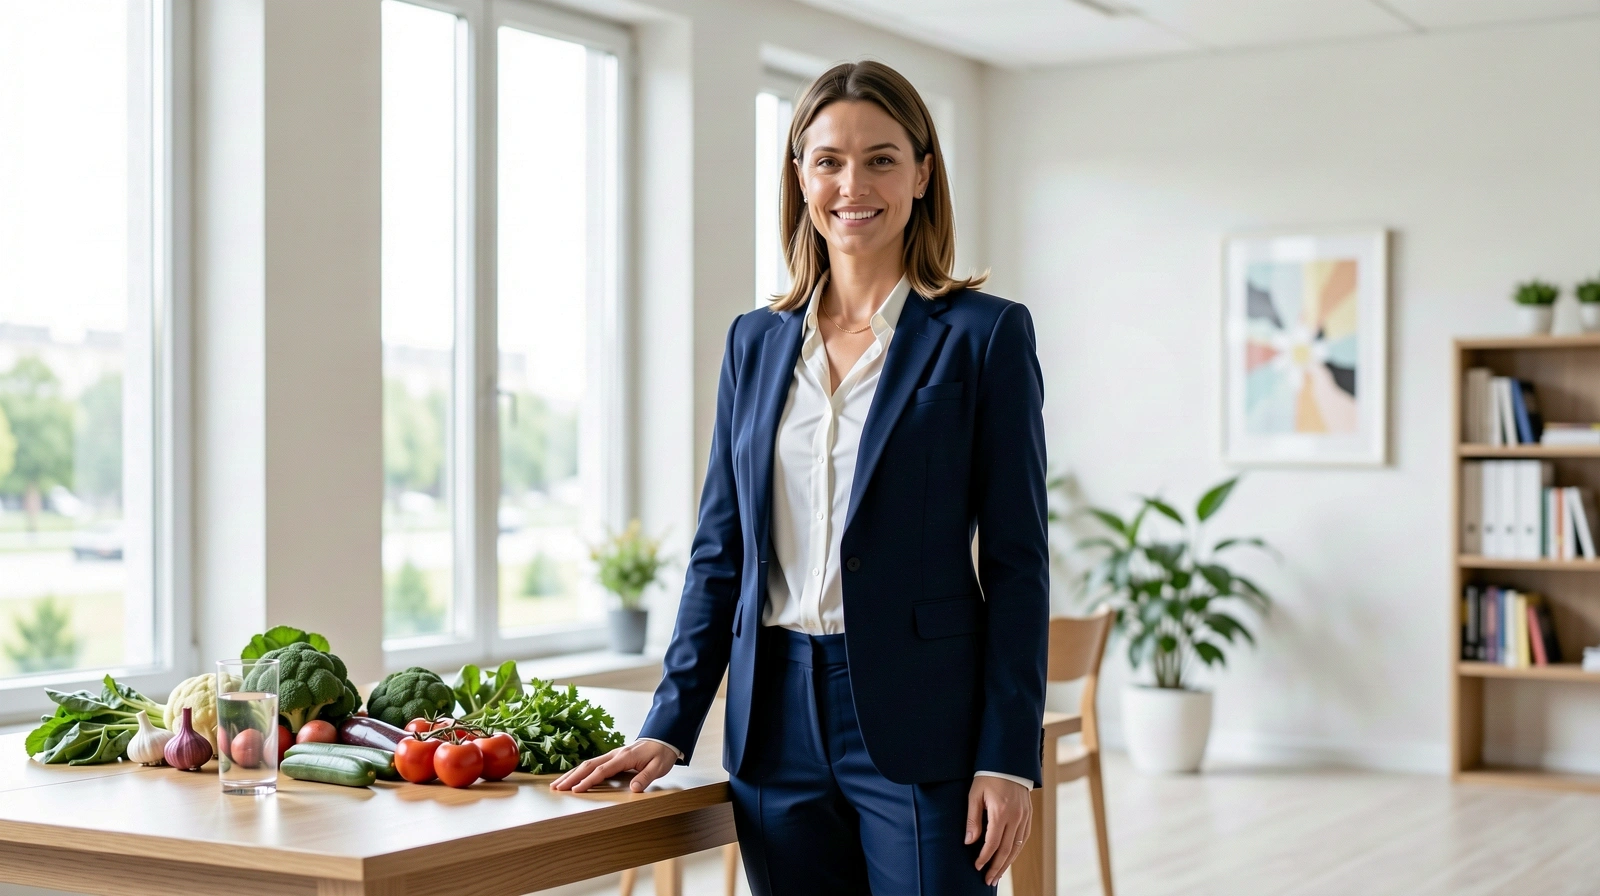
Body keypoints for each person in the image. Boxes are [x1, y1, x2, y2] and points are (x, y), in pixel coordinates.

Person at [553, 59, 1049, 895]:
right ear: (799, 176)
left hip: (921, 725)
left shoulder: (983, 336)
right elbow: (721, 551)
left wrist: (1009, 758)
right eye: (829, 160)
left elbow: (1016, 562)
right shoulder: (756, 341)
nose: (854, 184)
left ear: (923, 173)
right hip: (773, 721)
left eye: (882, 158)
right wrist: (669, 725)